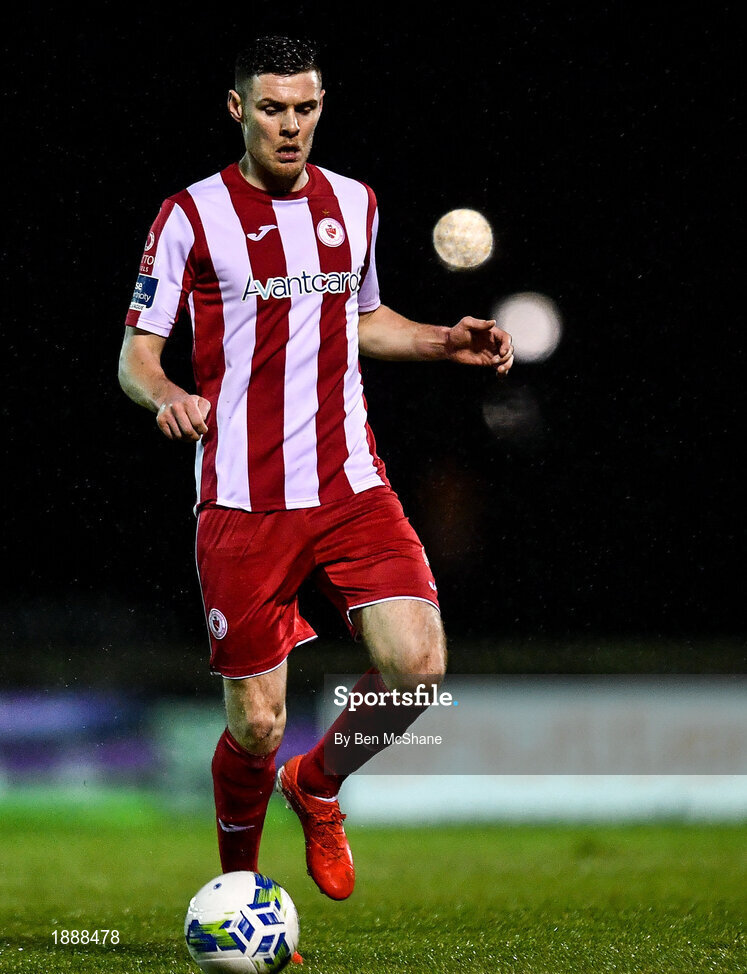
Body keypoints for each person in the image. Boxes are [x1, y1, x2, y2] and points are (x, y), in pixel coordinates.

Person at [118, 34, 513, 904]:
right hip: (241, 500)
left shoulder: (354, 204)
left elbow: (361, 321)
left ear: (321, 105)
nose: (290, 126)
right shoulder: (188, 216)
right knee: (256, 725)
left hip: (350, 488)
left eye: (305, 108)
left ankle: (321, 784)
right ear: (237, 110)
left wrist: (445, 341)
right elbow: (134, 358)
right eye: (271, 108)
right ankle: (240, 899)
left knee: (418, 674)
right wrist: (167, 396)